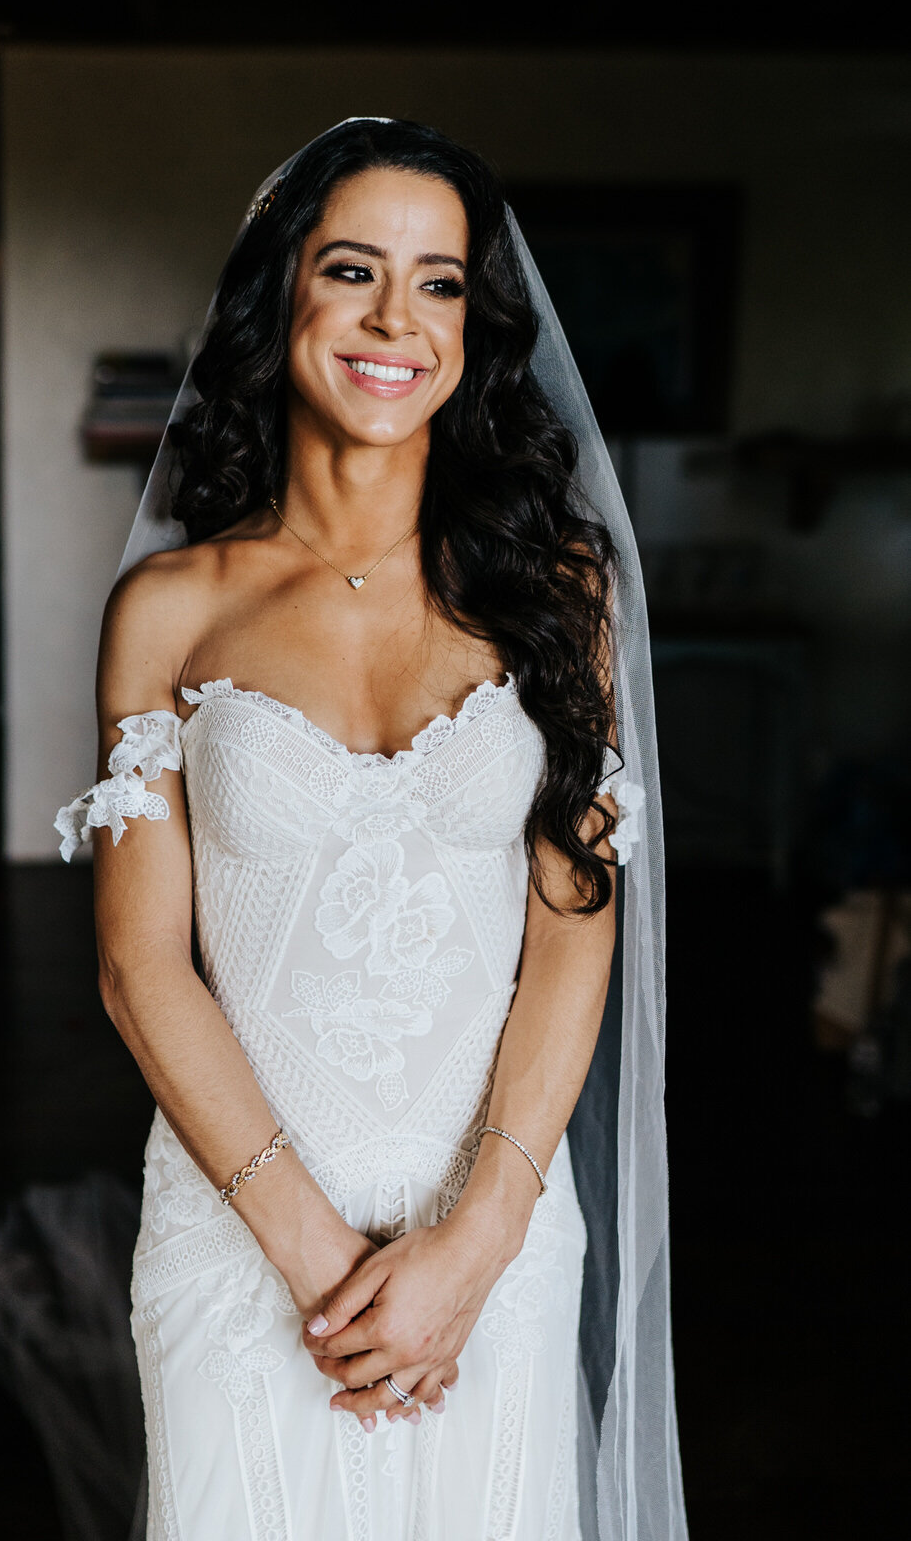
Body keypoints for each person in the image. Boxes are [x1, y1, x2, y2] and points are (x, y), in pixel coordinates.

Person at [57, 118, 686, 1541]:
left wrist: (473, 1248)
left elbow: (572, 929)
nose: (398, 319)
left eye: (442, 282)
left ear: (478, 321)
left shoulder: (552, 590)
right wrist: (317, 1256)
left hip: (499, 1235)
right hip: (242, 1241)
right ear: (282, 296)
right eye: (353, 270)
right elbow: (140, 969)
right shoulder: (171, 610)